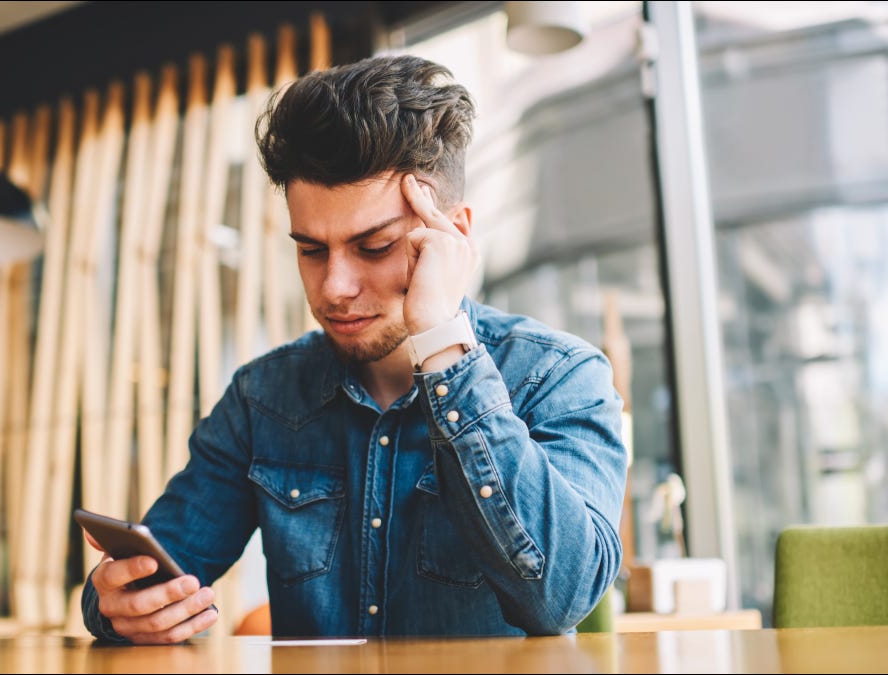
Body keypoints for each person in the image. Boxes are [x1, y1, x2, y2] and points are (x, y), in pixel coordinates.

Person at [82, 54, 627, 643]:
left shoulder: (558, 376)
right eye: (312, 250)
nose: (335, 287)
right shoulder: (262, 397)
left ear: (454, 237)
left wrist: (442, 342)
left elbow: (560, 598)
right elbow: (160, 567)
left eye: (374, 247)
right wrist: (116, 604)